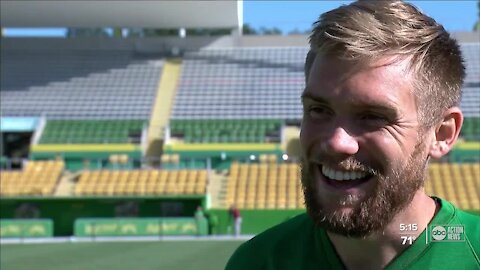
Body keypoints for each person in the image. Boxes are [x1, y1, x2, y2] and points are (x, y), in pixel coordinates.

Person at [226, 1, 480, 269]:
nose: (337, 142)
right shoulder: (257, 261)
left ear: (441, 134)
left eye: (373, 116)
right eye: (319, 110)